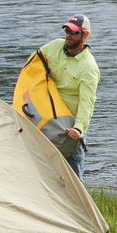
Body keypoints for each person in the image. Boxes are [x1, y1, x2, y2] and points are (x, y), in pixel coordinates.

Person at [35, 15, 101, 167]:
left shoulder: (89, 68)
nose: (68, 36)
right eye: (67, 31)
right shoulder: (54, 46)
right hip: (46, 120)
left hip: (68, 129)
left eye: (73, 33)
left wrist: (78, 128)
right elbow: (32, 66)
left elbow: (87, 102)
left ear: (85, 35)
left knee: (73, 180)